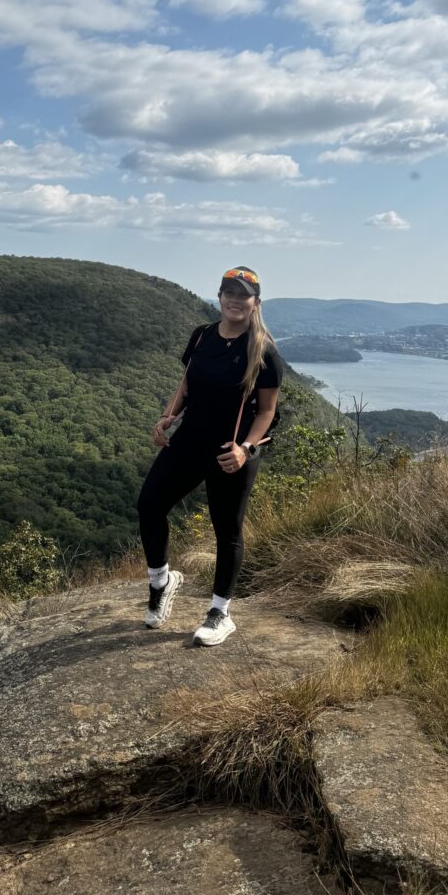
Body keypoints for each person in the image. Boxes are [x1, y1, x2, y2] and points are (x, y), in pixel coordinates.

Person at [136, 266, 285, 647]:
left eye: (243, 295)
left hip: (230, 450)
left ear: (256, 302)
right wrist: (168, 416)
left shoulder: (262, 349)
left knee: (227, 530)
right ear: (219, 297)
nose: (235, 300)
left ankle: (220, 613)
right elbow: (186, 382)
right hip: (190, 440)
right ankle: (161, 582)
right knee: (149, 504)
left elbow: (267, 411)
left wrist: (245, 449)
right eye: (228, 293)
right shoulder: (202, 337)